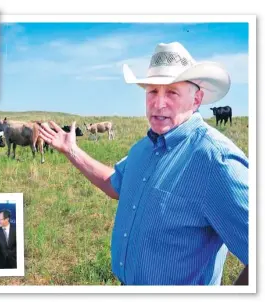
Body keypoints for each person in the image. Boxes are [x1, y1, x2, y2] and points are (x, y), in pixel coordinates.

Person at [38, 42, 248, 285]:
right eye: (152, 92)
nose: (159, 104)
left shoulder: (216, 161)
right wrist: (72, 151)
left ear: (197, 98)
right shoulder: (143, 149)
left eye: (172, 92)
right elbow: (116, 184)